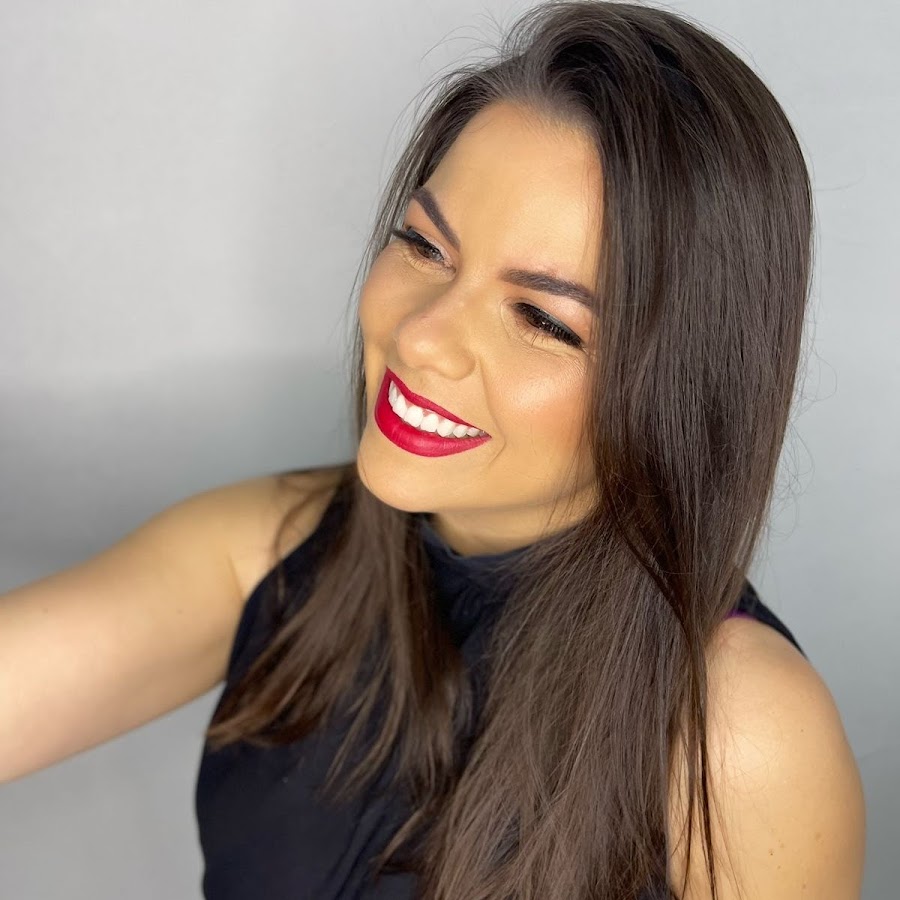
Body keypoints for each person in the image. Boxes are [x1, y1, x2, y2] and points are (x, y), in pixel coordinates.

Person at [0, 1, 865, 898]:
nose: (421, 337)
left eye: (541, 319)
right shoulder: (274, 547)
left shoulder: (740, 731)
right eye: (423, 245)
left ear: (680, 389)